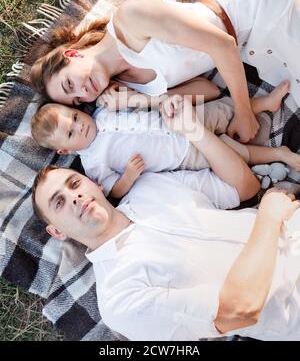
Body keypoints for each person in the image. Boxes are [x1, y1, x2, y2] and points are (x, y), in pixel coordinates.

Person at [32, 101, 300, 341]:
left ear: (95, 184)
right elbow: (239, 310)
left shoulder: (148, 184)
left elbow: (244, 187)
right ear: (56, 232)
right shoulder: (119, 297)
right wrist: (269, 216)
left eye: (75, 183)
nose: (75, 196)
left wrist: (193, 130)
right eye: (59, 202)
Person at [30, 0, 300, 143]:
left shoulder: (130, 20)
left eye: (69, 84)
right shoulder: (127, 86)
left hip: (259, 8)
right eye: (77, 101)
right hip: (253, 50)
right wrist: (141, 101)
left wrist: (244, 113)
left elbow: (222, 45)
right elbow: (208, 89)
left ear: (73, 55)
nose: (84, 93)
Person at [31, 83, 299, 199]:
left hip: (178, 118)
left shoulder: (102, 112)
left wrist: (122, 97)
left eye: (76, 117)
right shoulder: (93, 163)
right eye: (71, 133)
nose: (80, 127)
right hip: (182, 155)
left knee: (225, 108)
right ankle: (282, 154)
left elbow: (131, 99)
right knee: (236, 155)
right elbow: (113, 191)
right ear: (65, 150)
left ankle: (266, 103)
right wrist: (129, 177)